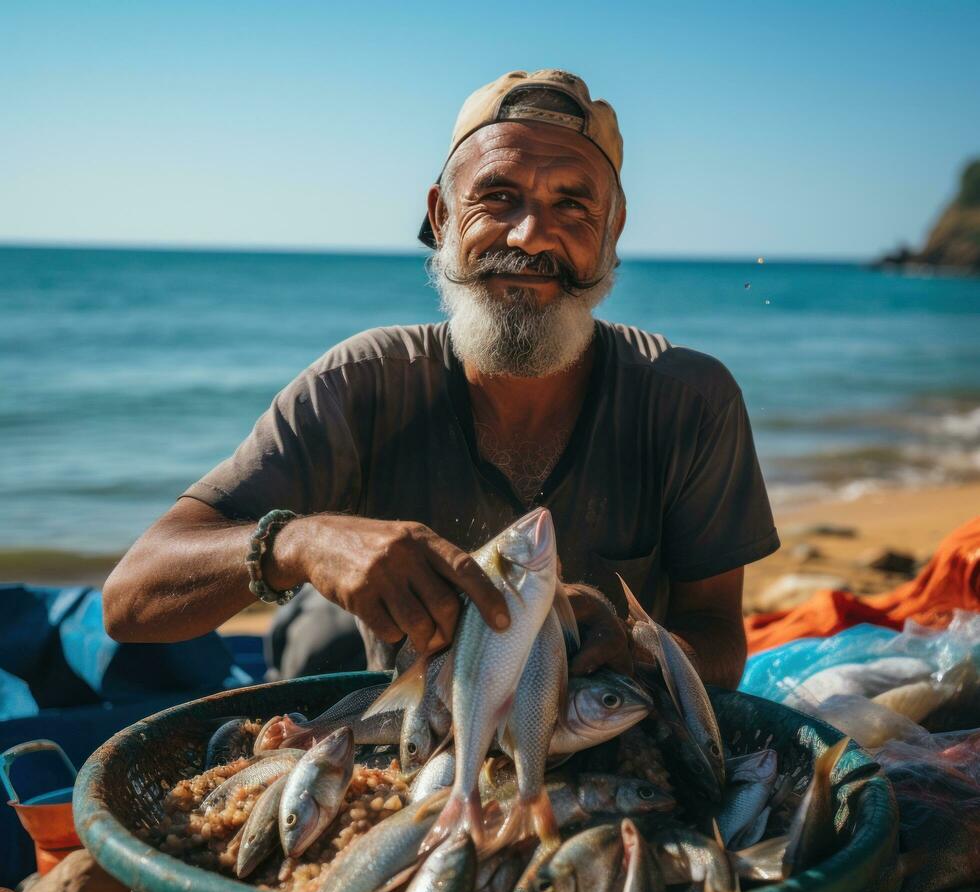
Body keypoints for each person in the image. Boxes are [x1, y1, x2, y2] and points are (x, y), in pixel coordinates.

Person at [103, 69, 779, 689]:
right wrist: (301, 542)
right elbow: (131, 599)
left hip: (619, 767)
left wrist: (636, 644)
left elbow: (720, 641)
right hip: (413, 771)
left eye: (573, 206)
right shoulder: (360, 387)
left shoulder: (689, 401)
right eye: (497, 196)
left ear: (614, 230)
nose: (531, 236)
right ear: (441, 216)